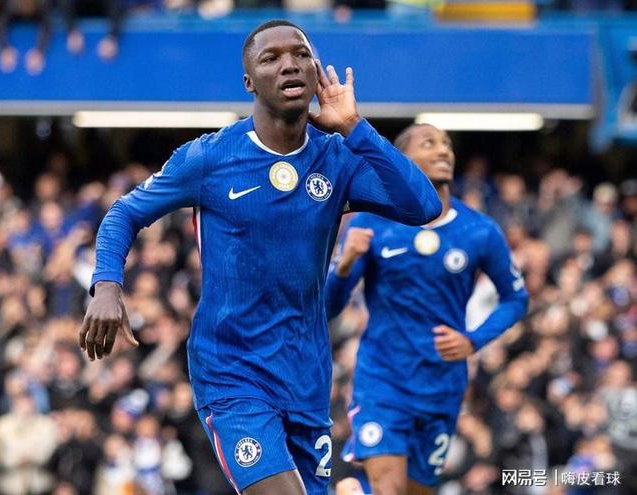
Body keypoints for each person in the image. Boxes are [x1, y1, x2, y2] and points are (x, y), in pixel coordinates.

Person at [78, 19, 442, 495]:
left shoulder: (337, 158)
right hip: (233, 376)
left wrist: (355, 127)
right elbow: (124, 213)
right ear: (249, 82)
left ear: (316, 72)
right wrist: (107, 284)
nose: (289, 64)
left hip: (307, 378)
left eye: (301, 54)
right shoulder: (209, 157)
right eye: (271, 58)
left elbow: (423, 206)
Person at [325, 123, 529, 495]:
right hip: (383, 382)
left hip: (442, 386)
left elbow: (516, 298)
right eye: (429, 143)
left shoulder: (479, 230)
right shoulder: (372, 223)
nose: (443, 150)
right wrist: (344, 263)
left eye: (447, 144)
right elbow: (329, 307)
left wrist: (473, 340)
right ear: (402, 160)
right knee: (388, 487)